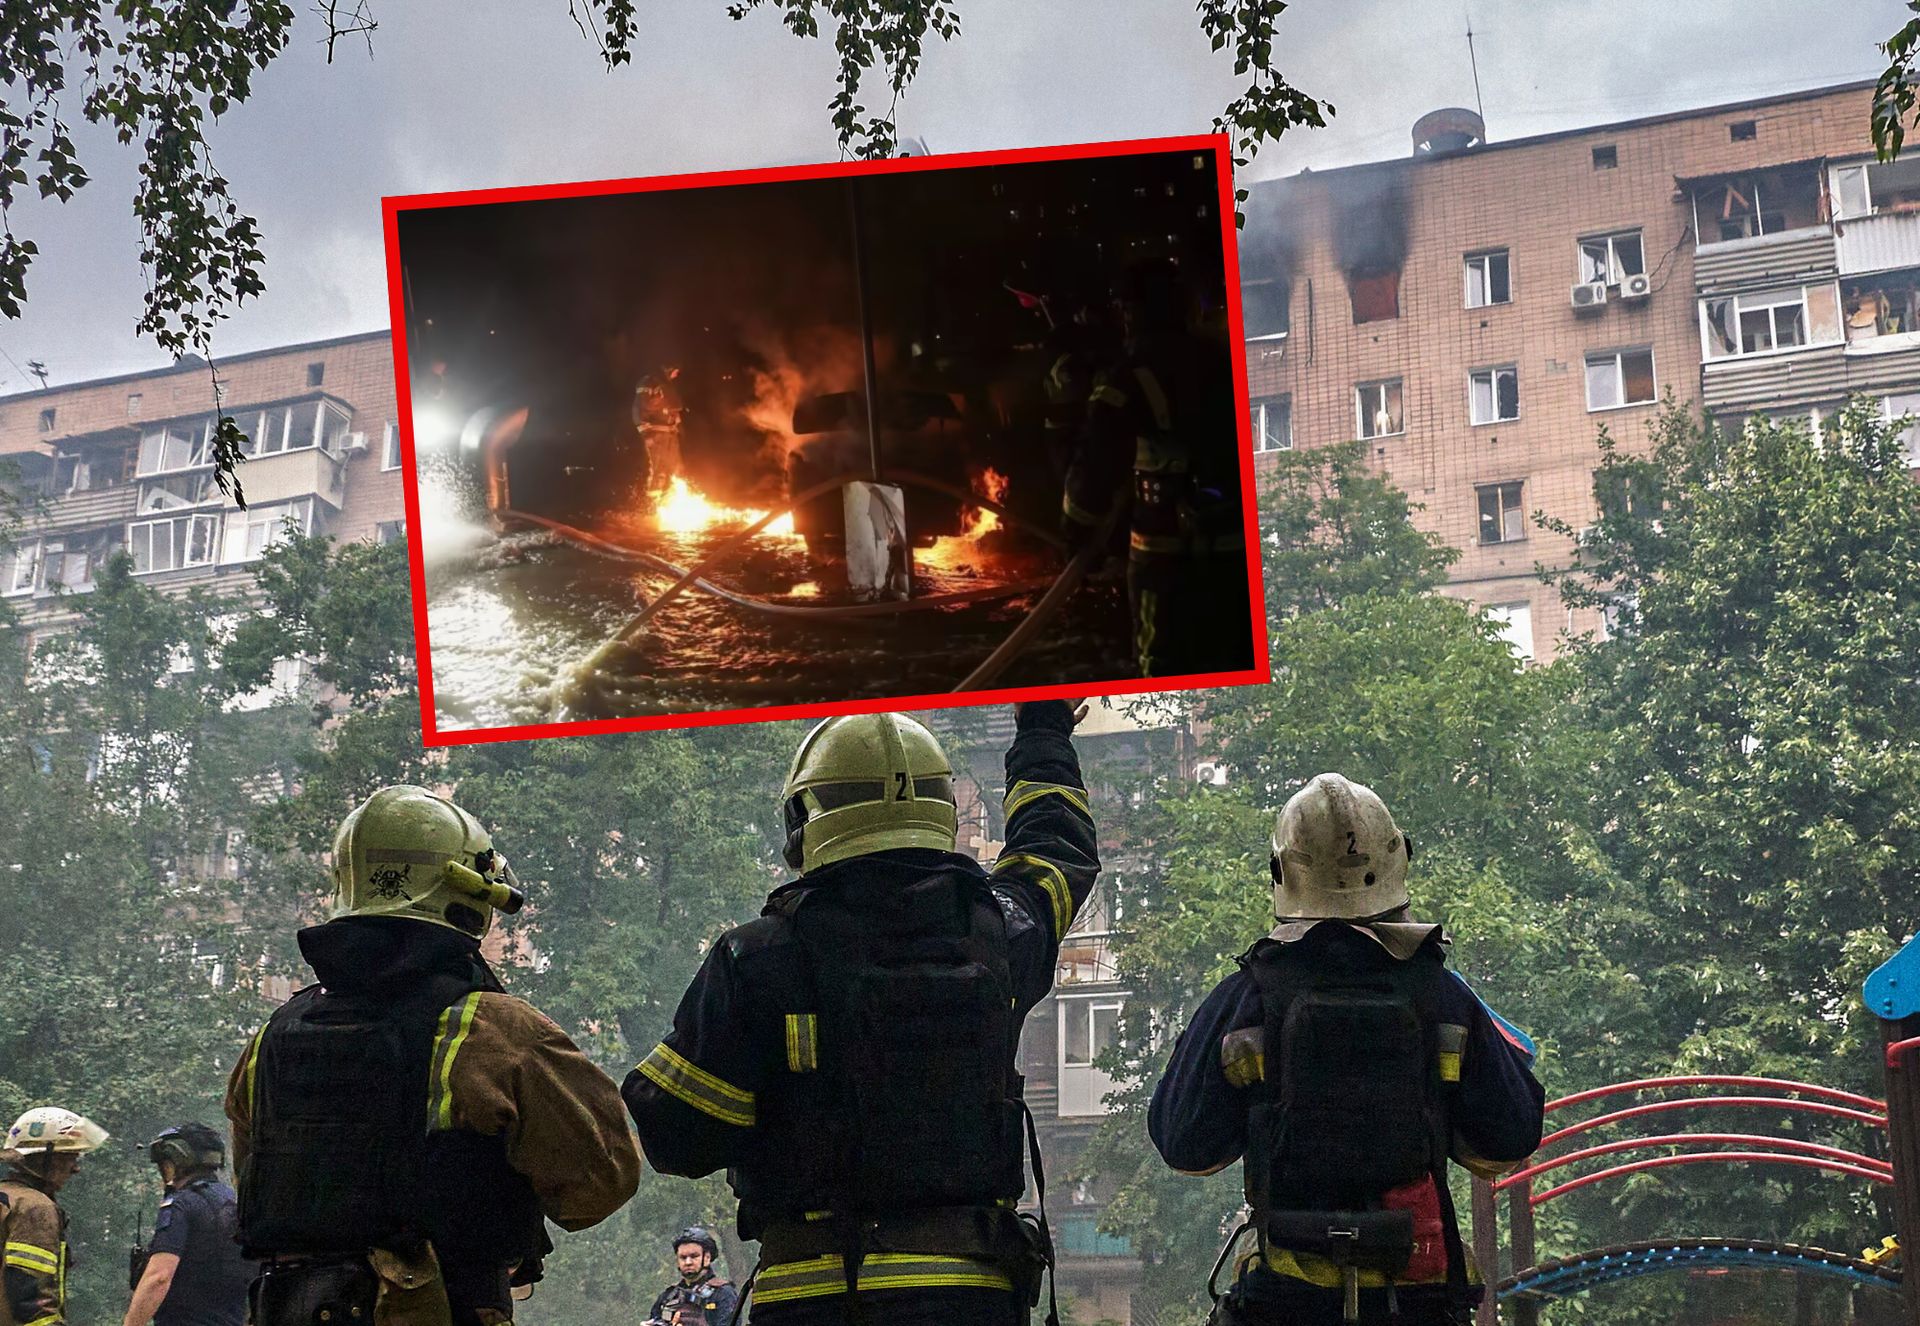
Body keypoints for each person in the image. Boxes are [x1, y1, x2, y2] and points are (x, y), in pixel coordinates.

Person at [625, 702, 1101, 1325]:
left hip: (814, 1300)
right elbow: (1055, 846)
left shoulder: (757, 958)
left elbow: (678, 1137)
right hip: (972, 1297)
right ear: (941, 808)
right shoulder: (1005, 933)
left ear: (805, 817)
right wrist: (1043, 730)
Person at [226, 784, 642, 1326]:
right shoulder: (497, 1031)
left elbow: (251, 1178)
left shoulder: (271, 1037)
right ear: (462, 888)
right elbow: (601, 1181)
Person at [1149, 774, 1545, 1326]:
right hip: (1419, 1304)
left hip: (1285, 1302)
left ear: (1282, 872)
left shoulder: (1246, 999)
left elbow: (1185, 1146)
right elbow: (1508, 1143)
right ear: (1398, 858)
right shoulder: (1444, 998)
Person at [1060, 258, 1254, 679]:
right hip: (1236, 549)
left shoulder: (1129, 376)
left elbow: (1095, 465)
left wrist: (1076, 535)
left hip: (1164, 555)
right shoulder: (1223, 360)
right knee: (1236, 653)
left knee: (1163, 662)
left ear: (1130, 312)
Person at [124, 1123, 254, 1326]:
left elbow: (159, 1277)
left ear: (176, 1161)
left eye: (164, 1166)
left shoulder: (181, 1204)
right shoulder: (235, 1203)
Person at [1, 1106, 108, 1326]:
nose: (75, 1168)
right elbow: (31, 1296)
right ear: (45, 1158)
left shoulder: (8, 1198)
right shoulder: (35, 1208)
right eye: (70, 1156)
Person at [648, 1227, 739, 1325]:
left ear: (707, 1258)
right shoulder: (668, 1296)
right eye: (683, 1257)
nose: (688, 1262)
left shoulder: (723, 1293)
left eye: (694, 1256)